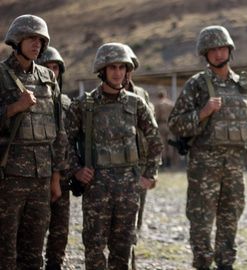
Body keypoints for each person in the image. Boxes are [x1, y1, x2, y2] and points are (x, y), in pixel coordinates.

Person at [168, 25, 247, 270]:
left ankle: (226, 265)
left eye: (221, 48)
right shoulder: (197, 85)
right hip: (204, 166)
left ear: (229, 49)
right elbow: (175, 124)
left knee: (230, 220)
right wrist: (202, 113)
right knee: (201, 222)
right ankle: (202, 264)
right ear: (205, 53)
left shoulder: (243, 87)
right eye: (212, 50)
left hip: (234, 166)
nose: (218, 54)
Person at [66, 42, 163, 269]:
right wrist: (76, 169)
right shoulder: (84, 105)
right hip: (96, 187)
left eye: (122, 68)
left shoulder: (136, 103)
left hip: (128, 188)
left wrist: (149, 174)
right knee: (94, 248)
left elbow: (155, 139)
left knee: (123, 248)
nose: (118, 73)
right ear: (102, 71)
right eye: (113, 68)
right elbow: (64, 142)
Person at [0, 15, 67, 269]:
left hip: (41, 177)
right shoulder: (1, 75)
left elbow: (59, 131)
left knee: (33, 249)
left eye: (40, 40)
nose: (36, 44)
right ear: (16, 41)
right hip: (9, 177)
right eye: (30, 38)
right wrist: (13, 108)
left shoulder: (48, 79)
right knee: (5, 248)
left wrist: (56, 176)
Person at [37, 46, 72, 270]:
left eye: (55, 68)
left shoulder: (68, 103)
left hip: (63, 174)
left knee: (60, 230)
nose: (52, 72)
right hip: (36, 174)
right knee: (33, 230)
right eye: (47, 67)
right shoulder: (31, 100)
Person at [122, 43, 157, 270]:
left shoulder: (141, 95)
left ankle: (130, 263)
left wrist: (152, 171)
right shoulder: (95, 98)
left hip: (138, 170)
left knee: (134, 223)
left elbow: (152, 135)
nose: (123, 72)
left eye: (127, 67)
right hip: (109, 171)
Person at [154, 91, 175, 167]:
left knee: (162, 144)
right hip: (169, 125)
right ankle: (169, 161)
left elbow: (156, 116)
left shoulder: (158, 104)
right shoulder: (171, 104)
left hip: (161, 124)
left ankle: (163, 161)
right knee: (170, 144)